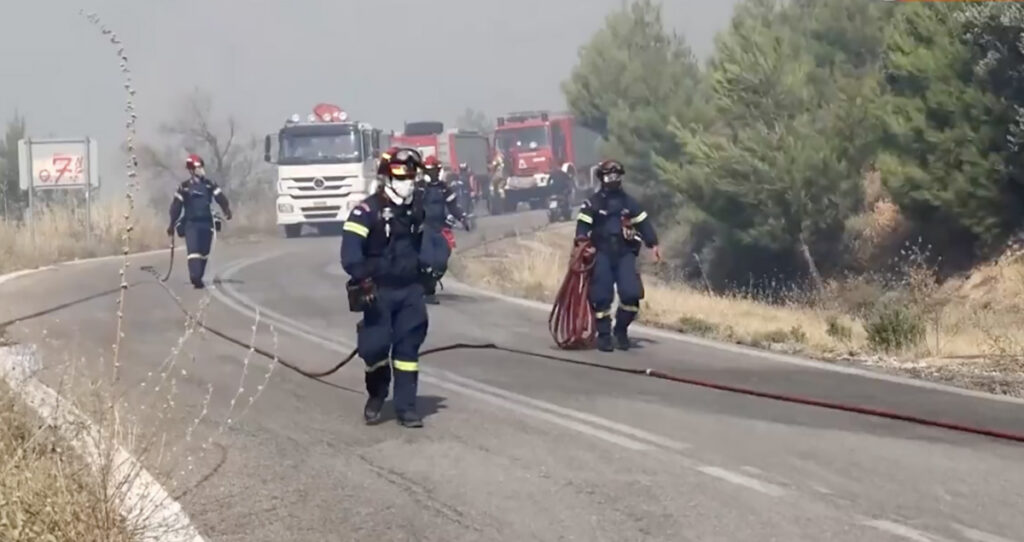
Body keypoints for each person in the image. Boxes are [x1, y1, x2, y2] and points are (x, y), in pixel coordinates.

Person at [341, 148, 429, 428]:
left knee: (407, 351)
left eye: (411, 177)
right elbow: (350, 253)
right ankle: (377, 395)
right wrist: (362, 278)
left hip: (410, 291)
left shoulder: (417, 210)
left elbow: (428, 243)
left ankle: (407, 408)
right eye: (401, 178)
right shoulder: (366, 211)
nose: (408, 183)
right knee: (374, 349)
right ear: (387, 179)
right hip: (377, 292)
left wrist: (431, 268)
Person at [574, 159, 660, 352]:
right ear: (601, 177)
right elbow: (582, 227)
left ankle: (620, 331)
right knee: (601, 296)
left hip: (625, 254)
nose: (613, 178)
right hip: (601, 253)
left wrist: (653, 243)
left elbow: (644, 223)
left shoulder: (630, 203)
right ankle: (604, 335)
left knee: (631, 294)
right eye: (609, 175)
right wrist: (582, 243)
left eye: (616, 174)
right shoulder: (593, 203)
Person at [167, 154, 232, 289]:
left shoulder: (209, 184)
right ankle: (195, 277)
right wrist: (172, 223)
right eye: (198, 167)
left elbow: (220, 198)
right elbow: (176, 206)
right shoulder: (184, 187)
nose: (201, 170)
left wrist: (226, 210)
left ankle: (198, 277)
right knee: (194, 252)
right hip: (191, 224)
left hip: (207, 224)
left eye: (202, 167)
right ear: (191, 170)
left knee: (204, 253)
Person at [418, 155, 469, 305]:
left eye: (435, 170)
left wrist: (462, 218)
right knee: (426, 260)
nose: (432, 173)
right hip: (424, 229)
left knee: (441, 261)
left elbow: (453, 206)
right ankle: (427, 291)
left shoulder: (445, 189)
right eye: (429, 171)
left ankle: (431, 282)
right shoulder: (419, 188)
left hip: (441, 228)